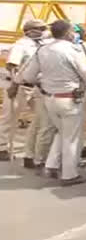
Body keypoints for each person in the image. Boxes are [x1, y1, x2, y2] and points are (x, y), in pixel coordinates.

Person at [19, 20, 86, 186]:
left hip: (50, 98)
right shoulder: (73, 50)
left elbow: (27, 77)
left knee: (62, 133)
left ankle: (51, 165)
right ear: (68, 33)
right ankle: (69, 175)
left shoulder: (42, 50)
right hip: (70, 99)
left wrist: (46, 80)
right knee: (71, 138)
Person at [0, 19, 53, 168]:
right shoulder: (20, 45)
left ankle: (35, 149)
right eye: (42, 28)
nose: (45, 30)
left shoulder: (42, 44)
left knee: (41, 117)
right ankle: (2, 147)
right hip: (19, 86)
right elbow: (12, 65)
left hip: (35, 87)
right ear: (31, 30)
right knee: (10, 116)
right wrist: (14, 84)